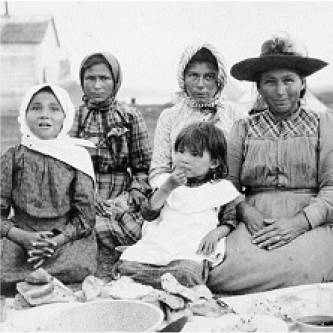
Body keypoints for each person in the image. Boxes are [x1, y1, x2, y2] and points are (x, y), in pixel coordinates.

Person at [207, 32, 333, 295]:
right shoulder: (243, 128)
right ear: (259, 87)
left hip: (311, 218)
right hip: (256, 218)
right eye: (270, 82)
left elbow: (331, 187)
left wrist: (300, 222)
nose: (280, 90)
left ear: (302, 83)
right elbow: (227, 185)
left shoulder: (324, 124)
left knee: (302, 268)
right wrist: (245, 211)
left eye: (288, 80)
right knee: (220, 274)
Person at [116, 122, 241, 288]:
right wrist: (168, 187)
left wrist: (216, 234)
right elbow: (148, 213)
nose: (184, 159)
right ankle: (161, 280)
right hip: (161, 242)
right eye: (180, 151)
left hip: (190, 247)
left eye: (195, 154)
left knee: (186, 273)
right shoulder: (165, 182)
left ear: (214, 163)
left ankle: (165, 281)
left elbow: (230, 220)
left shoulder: (220, 189)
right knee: (126, 267)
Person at [1, 84, 97, 291]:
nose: (45, 115)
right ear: (24, 114)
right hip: (21, 238)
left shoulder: (76, 158)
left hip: (64, 239)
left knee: (79, 267)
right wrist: (21, 237)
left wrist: (56, 241)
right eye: (35, 108)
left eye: (54, 109)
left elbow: (85, 219)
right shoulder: (13, 156)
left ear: (66, 116)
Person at [70, 52, 152, 251]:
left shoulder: (130, 116)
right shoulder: (74, 116)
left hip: (122, 194)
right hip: (84, 194)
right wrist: (87, 195)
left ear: (115, 81)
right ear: (82, 81)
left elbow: (143, 166)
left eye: (104, 78)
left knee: (137, 231)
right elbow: (66, 166)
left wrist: (136, 190)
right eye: (90, 78)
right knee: (89, 224)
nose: (97, 86)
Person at [150, 41, 247, 189]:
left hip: (227, 198)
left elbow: (246, 168)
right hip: (179, 199)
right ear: (183, 78)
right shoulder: (169, 117)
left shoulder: (237, 115)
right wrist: (177, 190)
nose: (200, 84)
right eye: (193, 76)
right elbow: (159, 170)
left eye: (209, 77)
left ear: (219, 79)